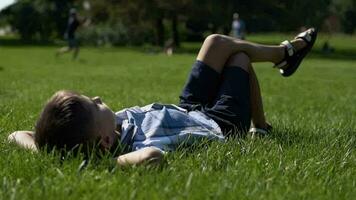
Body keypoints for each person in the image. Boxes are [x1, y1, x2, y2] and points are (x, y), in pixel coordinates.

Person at [8, 28, 317, 166]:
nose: (100, 98)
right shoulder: (130, 149)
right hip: (217, 124)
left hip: (188, 107)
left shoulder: (99, 131)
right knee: (240, 61)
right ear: (103, 142)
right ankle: (259, 127)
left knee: (216, 43)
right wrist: (100, 164)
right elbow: (152, 158)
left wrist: (50, 153)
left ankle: (283, 54)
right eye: (95, 104)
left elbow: (15, 135)